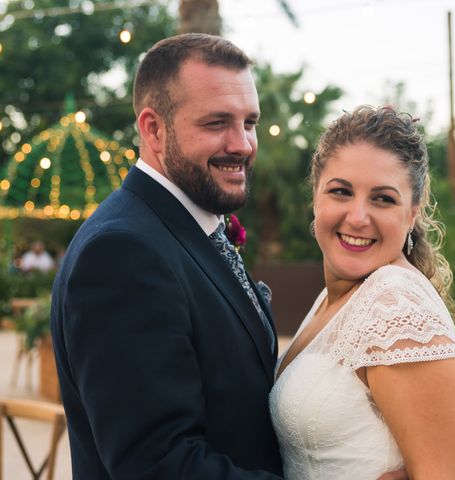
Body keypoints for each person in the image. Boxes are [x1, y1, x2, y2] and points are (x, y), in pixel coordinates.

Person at [50, 34, 283, 479]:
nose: (243, 144)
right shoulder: (120, 253)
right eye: (217, 123)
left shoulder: (191, 226)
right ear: (153, 129)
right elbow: (158, 465)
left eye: (249, 122)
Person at [269, 106, 455, 479]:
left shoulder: (393, 301)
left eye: (382, 199)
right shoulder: (337, 298)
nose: (358, 216)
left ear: (412, 213)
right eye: (341, 192)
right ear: (316, 197)